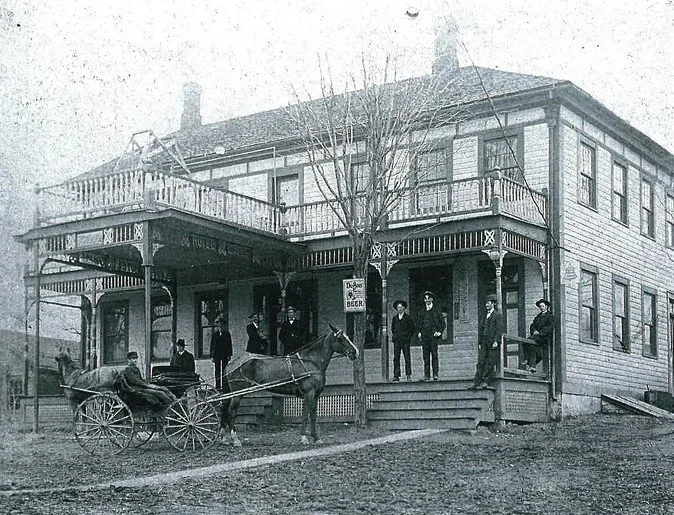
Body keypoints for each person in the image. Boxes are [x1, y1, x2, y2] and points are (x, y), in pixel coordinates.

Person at [471, 294, 505, 389]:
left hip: (492, 342)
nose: (486, 305)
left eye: (488, 303)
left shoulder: (497, 315)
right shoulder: (485, 315)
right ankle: (476, 382)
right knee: (481, 361)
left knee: (490, 361)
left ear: (493, 304)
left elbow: (499, 330)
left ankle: (486, 381)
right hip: (484, 341)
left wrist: (496, 341)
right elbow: (481, 329)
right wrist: (480, 342)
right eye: (486, 303)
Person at [415, 291, 445, 381]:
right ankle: (426, 375)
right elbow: (418, 323)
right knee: (426, 356)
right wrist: (419, 332)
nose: (427, 300)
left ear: (432, 299)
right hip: (425, 335)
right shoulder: (421, 311)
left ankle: (435, 374)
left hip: (433, 335)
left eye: (429, 298)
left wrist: (439, 332)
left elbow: (443, 323)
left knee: (434, 355)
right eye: (425, 298)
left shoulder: (436, 310)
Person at [523, 298, 554, 373]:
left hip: (544, 337)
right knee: (525, 342)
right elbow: (532, 325)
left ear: (546, 306)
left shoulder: (550, 316)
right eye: (540, 306)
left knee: (532, 345)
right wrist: (534, 331)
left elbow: (550, 327)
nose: (541, 308)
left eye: (542, 306)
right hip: (536, 336)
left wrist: (540, 333)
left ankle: (532, 365)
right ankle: (527, 359)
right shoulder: (538, 317)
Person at [391, 300, 415, 381]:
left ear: (404, 308)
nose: (400, 309)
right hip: (397, 340)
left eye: (401, 307)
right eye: (398, 307)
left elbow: (412, 329)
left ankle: (408, 375)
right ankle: (396, 375)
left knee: (407, 357)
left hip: (405, 341)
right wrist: (396, 336)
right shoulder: (395, 318)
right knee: (396, 358)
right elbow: (393, 329)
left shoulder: (408, 318)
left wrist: (407, 337)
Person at [210, 318, 233, 390]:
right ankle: (217, 386)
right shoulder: (214, 334)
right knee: (217, 370)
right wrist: (211, 356)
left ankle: (224, 386)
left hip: (224, 354)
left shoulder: (227, 334)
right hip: (217, 354)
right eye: (219, 325)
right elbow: (212, 346)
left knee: (224, 370)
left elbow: (229, 345)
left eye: (222, 325)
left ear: (224, 325)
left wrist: (229, 355)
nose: (220, 326)